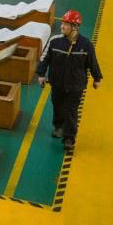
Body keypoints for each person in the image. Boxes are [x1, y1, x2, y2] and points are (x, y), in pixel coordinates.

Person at [36, 9, 103, 151]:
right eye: (62, 23)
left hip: (75, 85)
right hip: (57, 83)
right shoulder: (55, 41)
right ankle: (59, 126)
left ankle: (69, 138)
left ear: (75, 27)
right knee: (57, 105)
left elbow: (93, 63)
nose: (62, 26)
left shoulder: (86, 45)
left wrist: (97, 78)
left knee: (71, 110)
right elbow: (44, 58)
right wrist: (41, 74)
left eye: (66, 24)